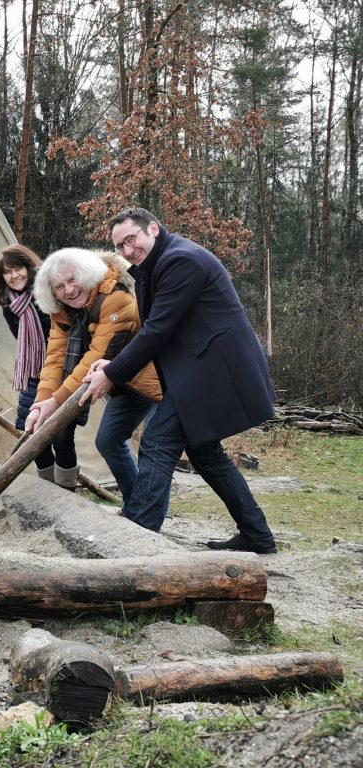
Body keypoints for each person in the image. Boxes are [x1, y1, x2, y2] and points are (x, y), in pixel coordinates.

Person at [82, 207, 278, 554]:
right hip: (198, 371)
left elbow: (158, 330)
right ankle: (257, 534)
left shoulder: (180, 260)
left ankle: (138, 533)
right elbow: (157, 328)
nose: (127, 250)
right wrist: (112, 363)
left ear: (153, 230)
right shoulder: (155, 265)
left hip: (214, 370)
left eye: (132, 239)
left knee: (157, 443)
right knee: (205, 454)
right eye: (120, 246)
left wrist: (112, 373)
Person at [24, 248, 161, 501]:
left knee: (155, 447)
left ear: (86, 274)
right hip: (118, 381)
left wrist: (56, 402)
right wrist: (41, 401)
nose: (68, 290)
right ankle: (137, 506)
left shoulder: (116, 299)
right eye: (59, 286)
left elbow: (96, 356)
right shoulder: (62, 310)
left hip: (150, 378)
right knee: (109, 441)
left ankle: (144, 512)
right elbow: (55, 357)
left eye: (72, 279)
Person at [0, 244, 74, 487]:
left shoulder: (49, 293)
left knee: (61, 435)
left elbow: (66, 333)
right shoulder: (10, 307)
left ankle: (67, 490)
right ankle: (49, 488)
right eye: (7, 272)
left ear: (29, 267)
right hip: (33, 374)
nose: (14, 276)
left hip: (64, 370)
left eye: (18, 269)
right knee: (29, 434)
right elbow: (23, 342)